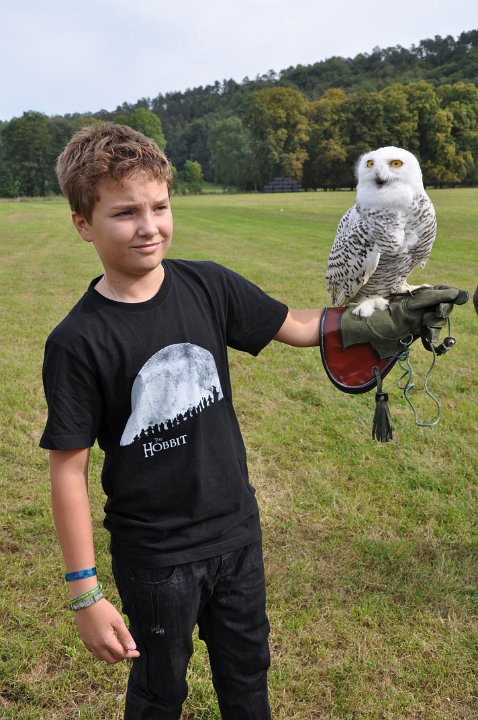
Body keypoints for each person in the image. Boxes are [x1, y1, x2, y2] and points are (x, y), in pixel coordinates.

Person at [40, 122, 467, 720]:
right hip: (155, 555)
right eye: (125, 213)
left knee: (248, 676)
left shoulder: (208, 284)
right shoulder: (77, 340)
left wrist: (383, 320)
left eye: (159, 207)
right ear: (83, 224)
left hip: (237, 533)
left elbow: (295, 325)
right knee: (160, 690)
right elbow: (68, 469)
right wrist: (85, 592)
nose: (148, 226)